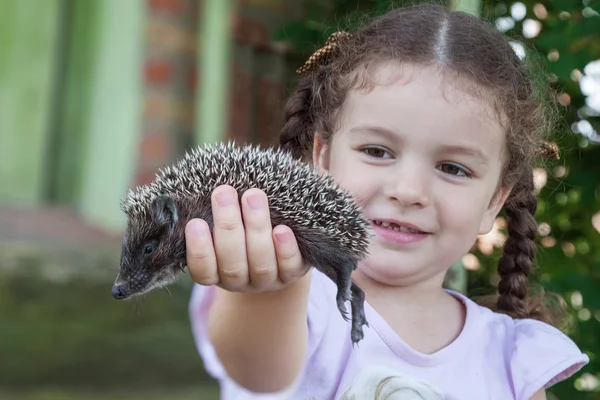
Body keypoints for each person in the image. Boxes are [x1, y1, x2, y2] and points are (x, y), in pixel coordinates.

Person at [185, 3, 589, 399]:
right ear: (322, 158)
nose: (408, 190)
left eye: (453, 168)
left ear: (493, 203)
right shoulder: (293, 297)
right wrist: (268, 290)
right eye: (377, 151)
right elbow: (258, 374)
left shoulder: (514, 360)